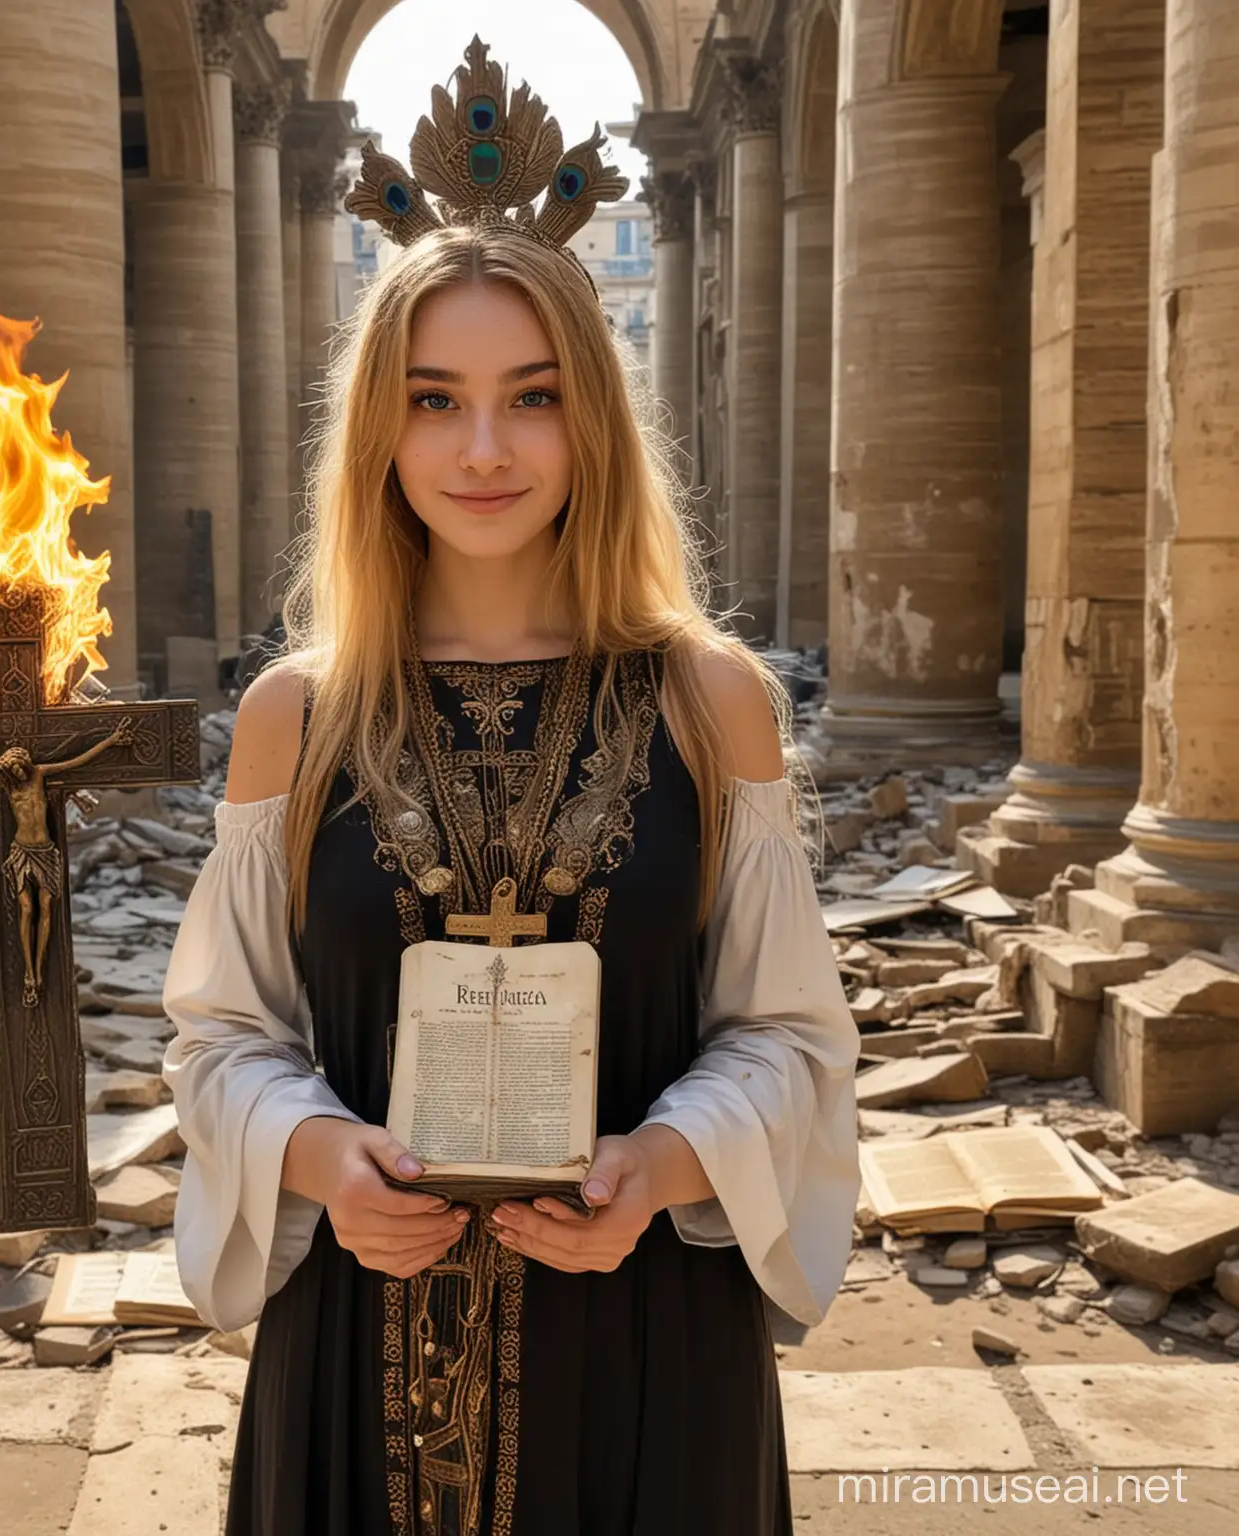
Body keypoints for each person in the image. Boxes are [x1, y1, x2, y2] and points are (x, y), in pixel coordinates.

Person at [163, 38, 860, 1536]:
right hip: (360, 1336)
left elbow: (791, 1040)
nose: (483, 448)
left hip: (651, 1340)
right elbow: (223, 1037)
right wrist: (315, 1155)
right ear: (379, 432)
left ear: (593, 418)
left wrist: (666, 1159)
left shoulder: (708, 700)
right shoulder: (297, 717)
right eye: (434, 399)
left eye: (532, 396)